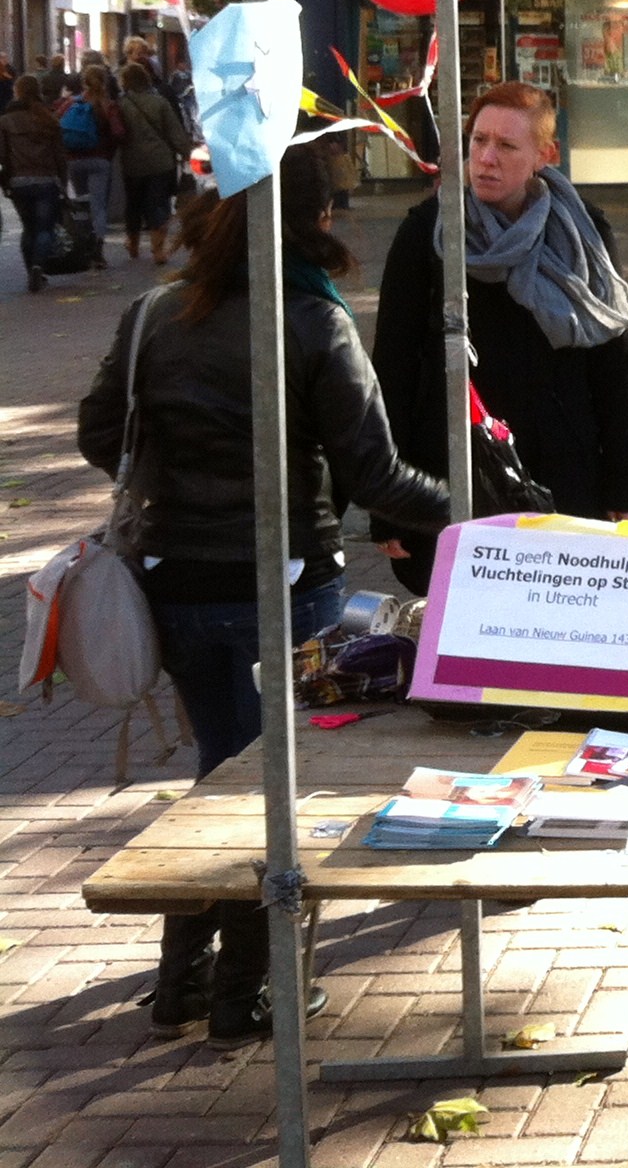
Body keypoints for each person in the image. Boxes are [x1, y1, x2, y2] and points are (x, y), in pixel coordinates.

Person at [78, 142, 447, 1046]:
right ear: (316, 220)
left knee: (220, 776)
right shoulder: (312, 321)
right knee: (272, 792)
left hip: (170, 584)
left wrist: (174, 472)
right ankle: (245, 991)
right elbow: (374, 473)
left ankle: (181, 981)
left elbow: (98, 434)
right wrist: (474, 510)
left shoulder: (156, 311)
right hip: (282, 584)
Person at [373, 83, 628, 583]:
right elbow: (393, 370)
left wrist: (626, 488)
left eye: (506, 145)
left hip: (563, 479)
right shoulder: (429, 234)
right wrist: (390, 502)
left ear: (545, 155)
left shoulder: (583, 234)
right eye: (479, 141)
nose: (486, 159)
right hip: (454, 479)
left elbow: (614, 369)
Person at [116, 60, 192, 264]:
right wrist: (186, 153)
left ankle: (133, 243)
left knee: (133, 204)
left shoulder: (121, 105)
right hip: (161, 162)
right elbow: (175, 132)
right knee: (158, 204)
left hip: (132, 163)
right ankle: (158, 250)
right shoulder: (160, 103)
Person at [0, 76, 67, 291]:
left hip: (19, 181)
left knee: (28, 228)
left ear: (17, 92)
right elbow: (60, 156)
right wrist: (63, 182)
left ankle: (31, 270)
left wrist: (6, 182)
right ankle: (39, 266)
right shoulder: (48, 119)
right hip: (47, 179)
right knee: (45, 228)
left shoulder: (6, 121)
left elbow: (2, 156)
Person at [59, 61, 121, 266]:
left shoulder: (71, 103)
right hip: (100, 159)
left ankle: (84, 245)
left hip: (74, 160)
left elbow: (56, 123)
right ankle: (98, 248)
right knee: (98, 206)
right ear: (105, 81)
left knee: (82, 204)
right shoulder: (108, 105)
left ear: (83, 82)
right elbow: (118, 132)